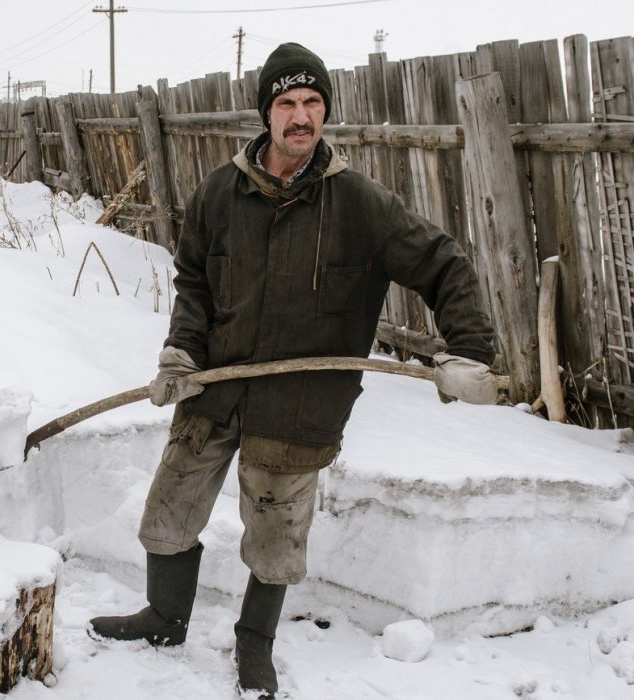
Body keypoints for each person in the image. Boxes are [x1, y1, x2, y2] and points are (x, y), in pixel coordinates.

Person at [88, 42, 499, 699]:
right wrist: (182, 350)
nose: (301, 116)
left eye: (313, 102)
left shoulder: (358, 203)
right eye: (287, 103)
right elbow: (194, 279)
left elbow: (443, 262)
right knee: (167, 514)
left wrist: (469, 350)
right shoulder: (219, 194)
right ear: (266, 113)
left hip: (300, 405)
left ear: (325, 111)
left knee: (276, 540)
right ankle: (164, 619)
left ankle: (255, 648)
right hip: (216, 390)